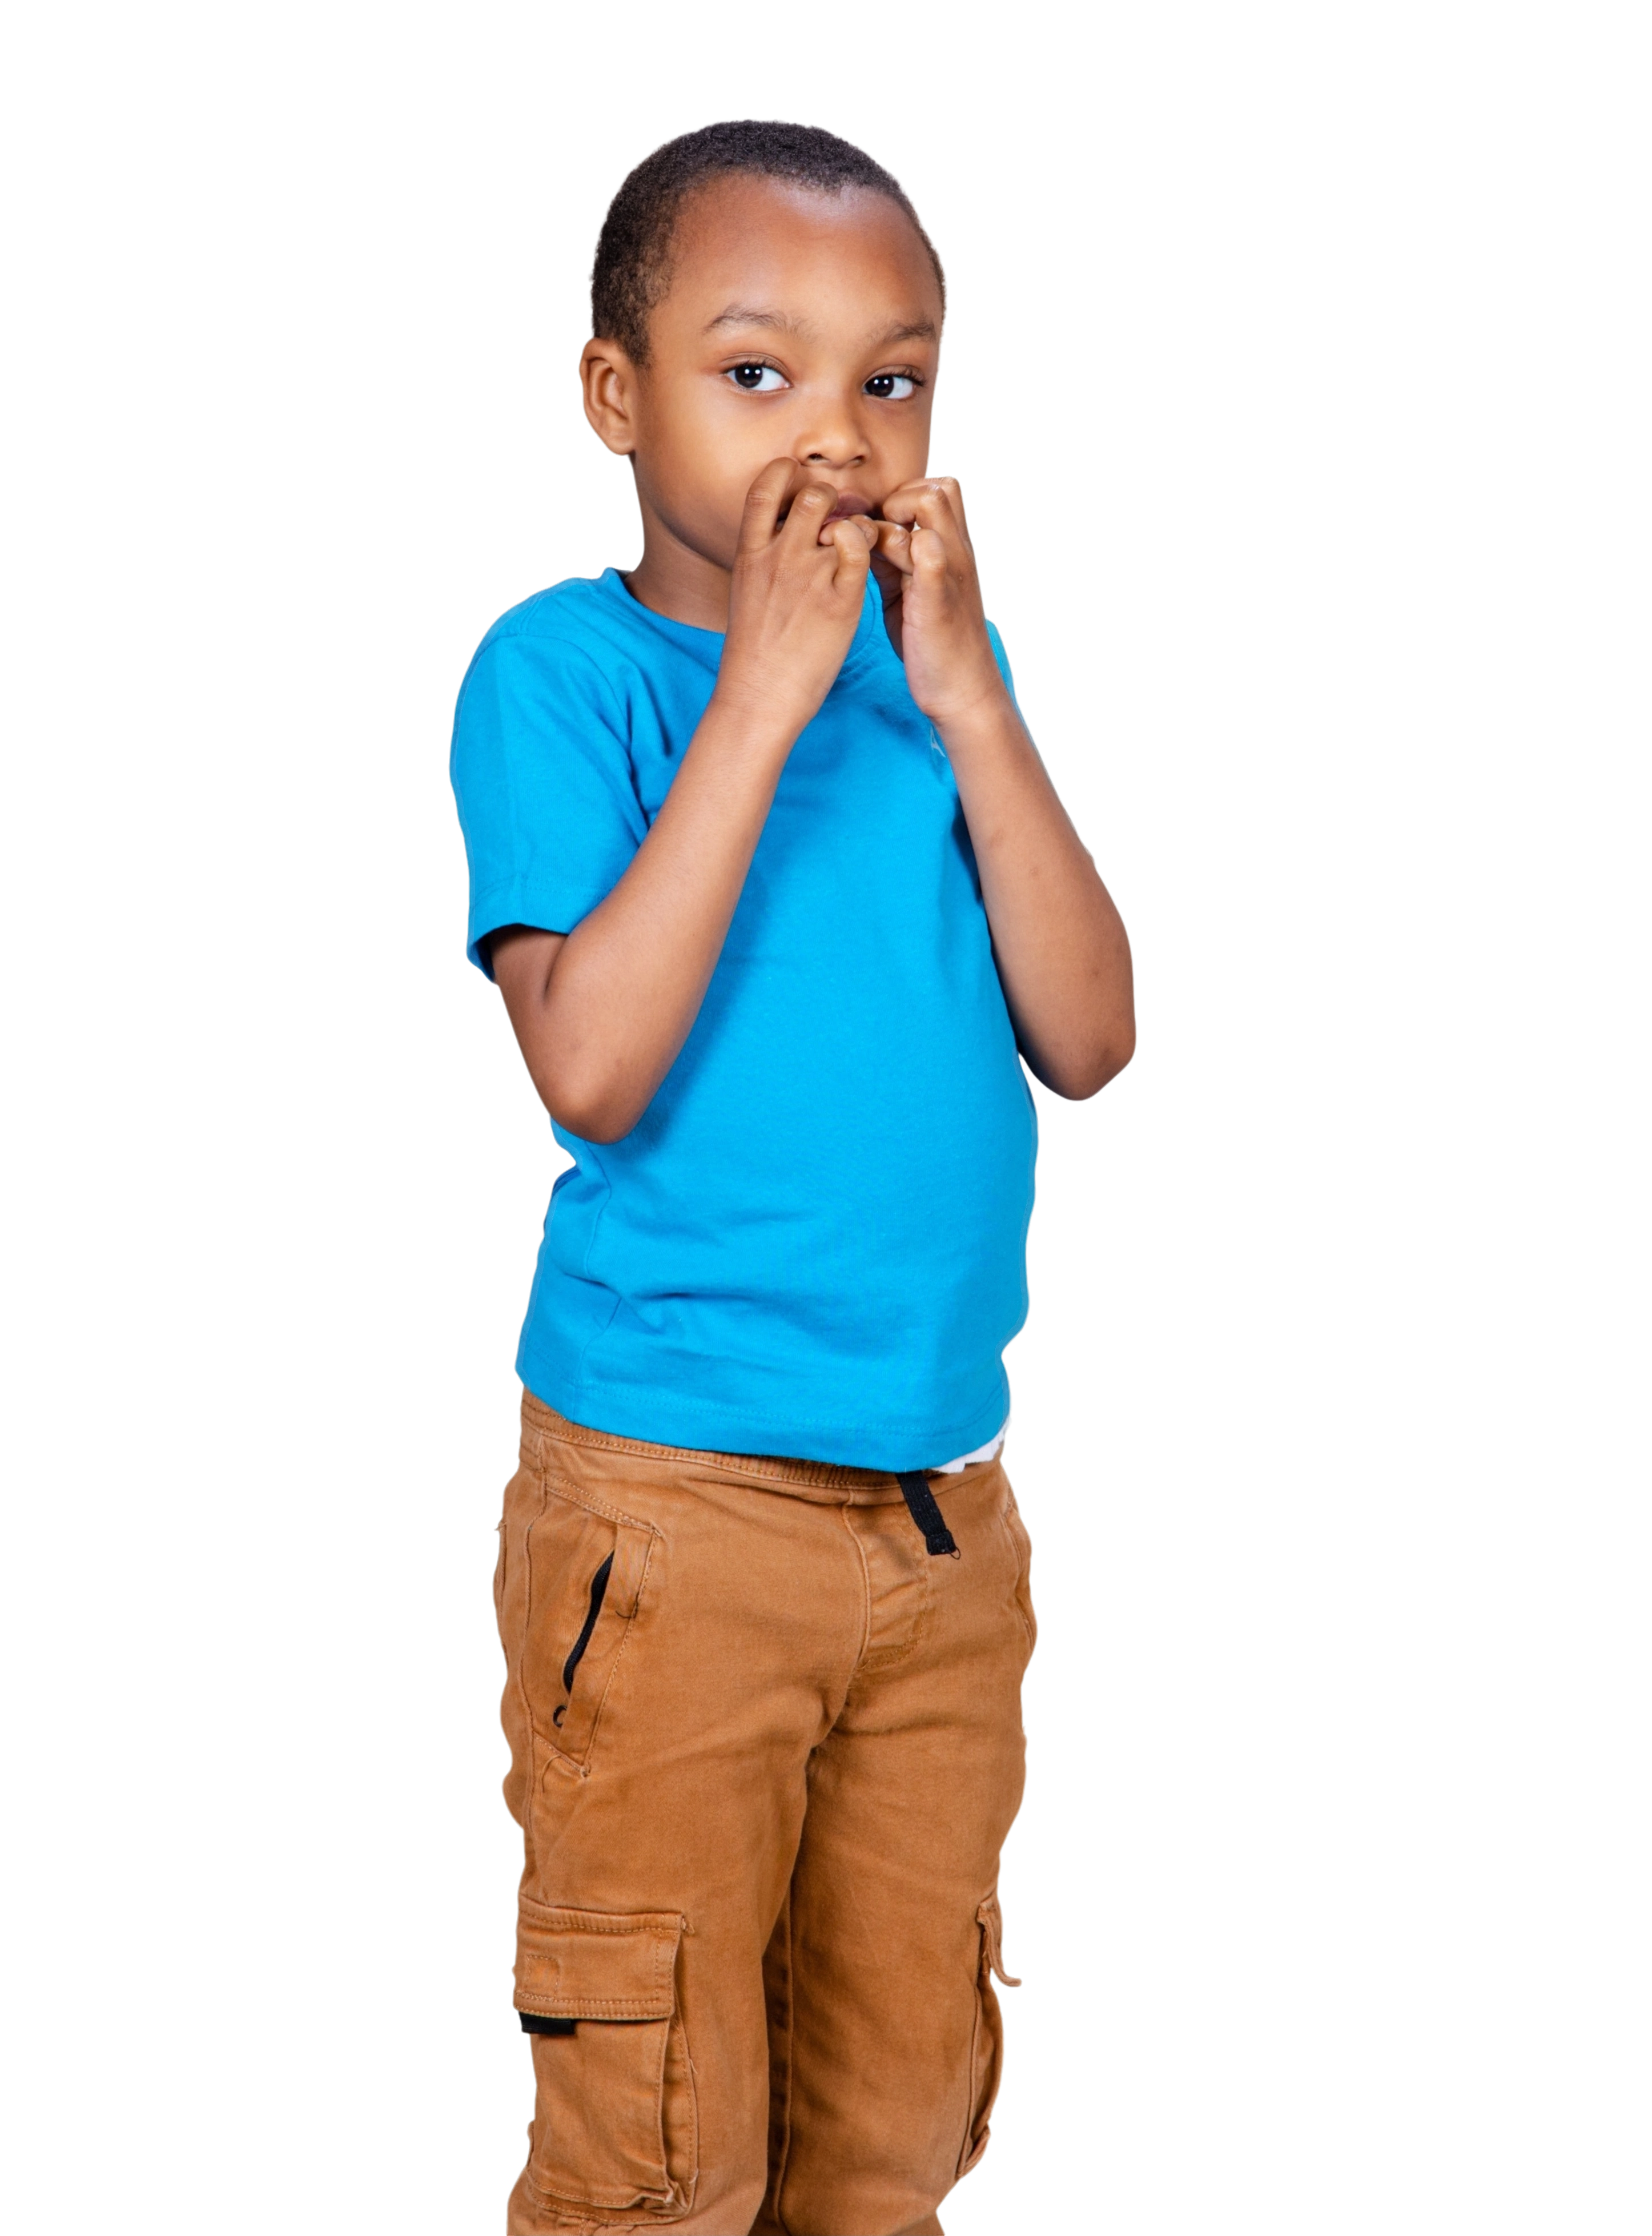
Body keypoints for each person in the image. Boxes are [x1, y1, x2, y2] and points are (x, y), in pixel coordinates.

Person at [448, 118, 1138, 2236]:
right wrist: (759, 698)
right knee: (662, 2144)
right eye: (755, 371)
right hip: (674, 1515)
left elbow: (1089, 1036)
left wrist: (964, 700)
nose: (835, 432)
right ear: (614, 397)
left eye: (892, 378)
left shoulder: (947, 681)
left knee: (895, 2118)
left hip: (942, 1516)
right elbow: (589, 1064)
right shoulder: (562, 673)